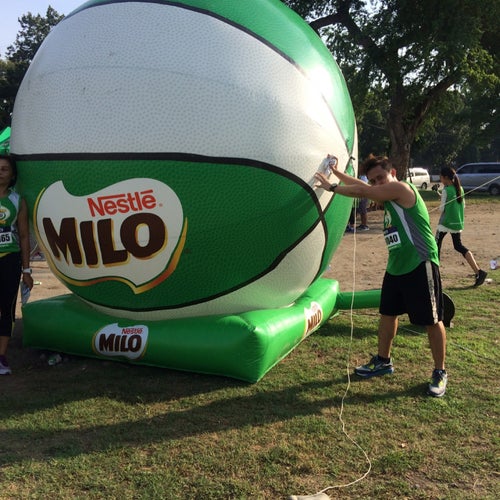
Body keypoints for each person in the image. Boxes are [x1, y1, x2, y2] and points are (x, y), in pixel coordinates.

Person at [315, 154, 448, 397]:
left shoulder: (401, 188)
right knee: (387, 314)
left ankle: (440, 371)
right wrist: (336, 173)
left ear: (393, 173)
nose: (377, 183)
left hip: (420, 262)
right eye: (373, 180)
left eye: (381, 178)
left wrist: (332, 187)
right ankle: (383, 361)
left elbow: (364, 191)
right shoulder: (383, 193)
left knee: (432, 319)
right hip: (396, 266)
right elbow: (363, 187)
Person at [0, 155, 33, 375]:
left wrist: (27, 270)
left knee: (7, 308)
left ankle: (1, 357)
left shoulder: (17, 200)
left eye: (4, 169)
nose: (0, 172)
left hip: (10, 260)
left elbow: (23, 236)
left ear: (12, 175)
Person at [435, 166, 487, 287]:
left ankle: (435, 276)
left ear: (445, 178)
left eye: (441, 177)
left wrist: (442, 199)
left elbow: (441, 209)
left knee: (435, 247)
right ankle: (478, 271)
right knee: (458, 246)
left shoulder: (446, 190)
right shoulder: (460, 188)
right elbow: (462, 206)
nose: (440, 179)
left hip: (445, 223)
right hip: (457, 223)